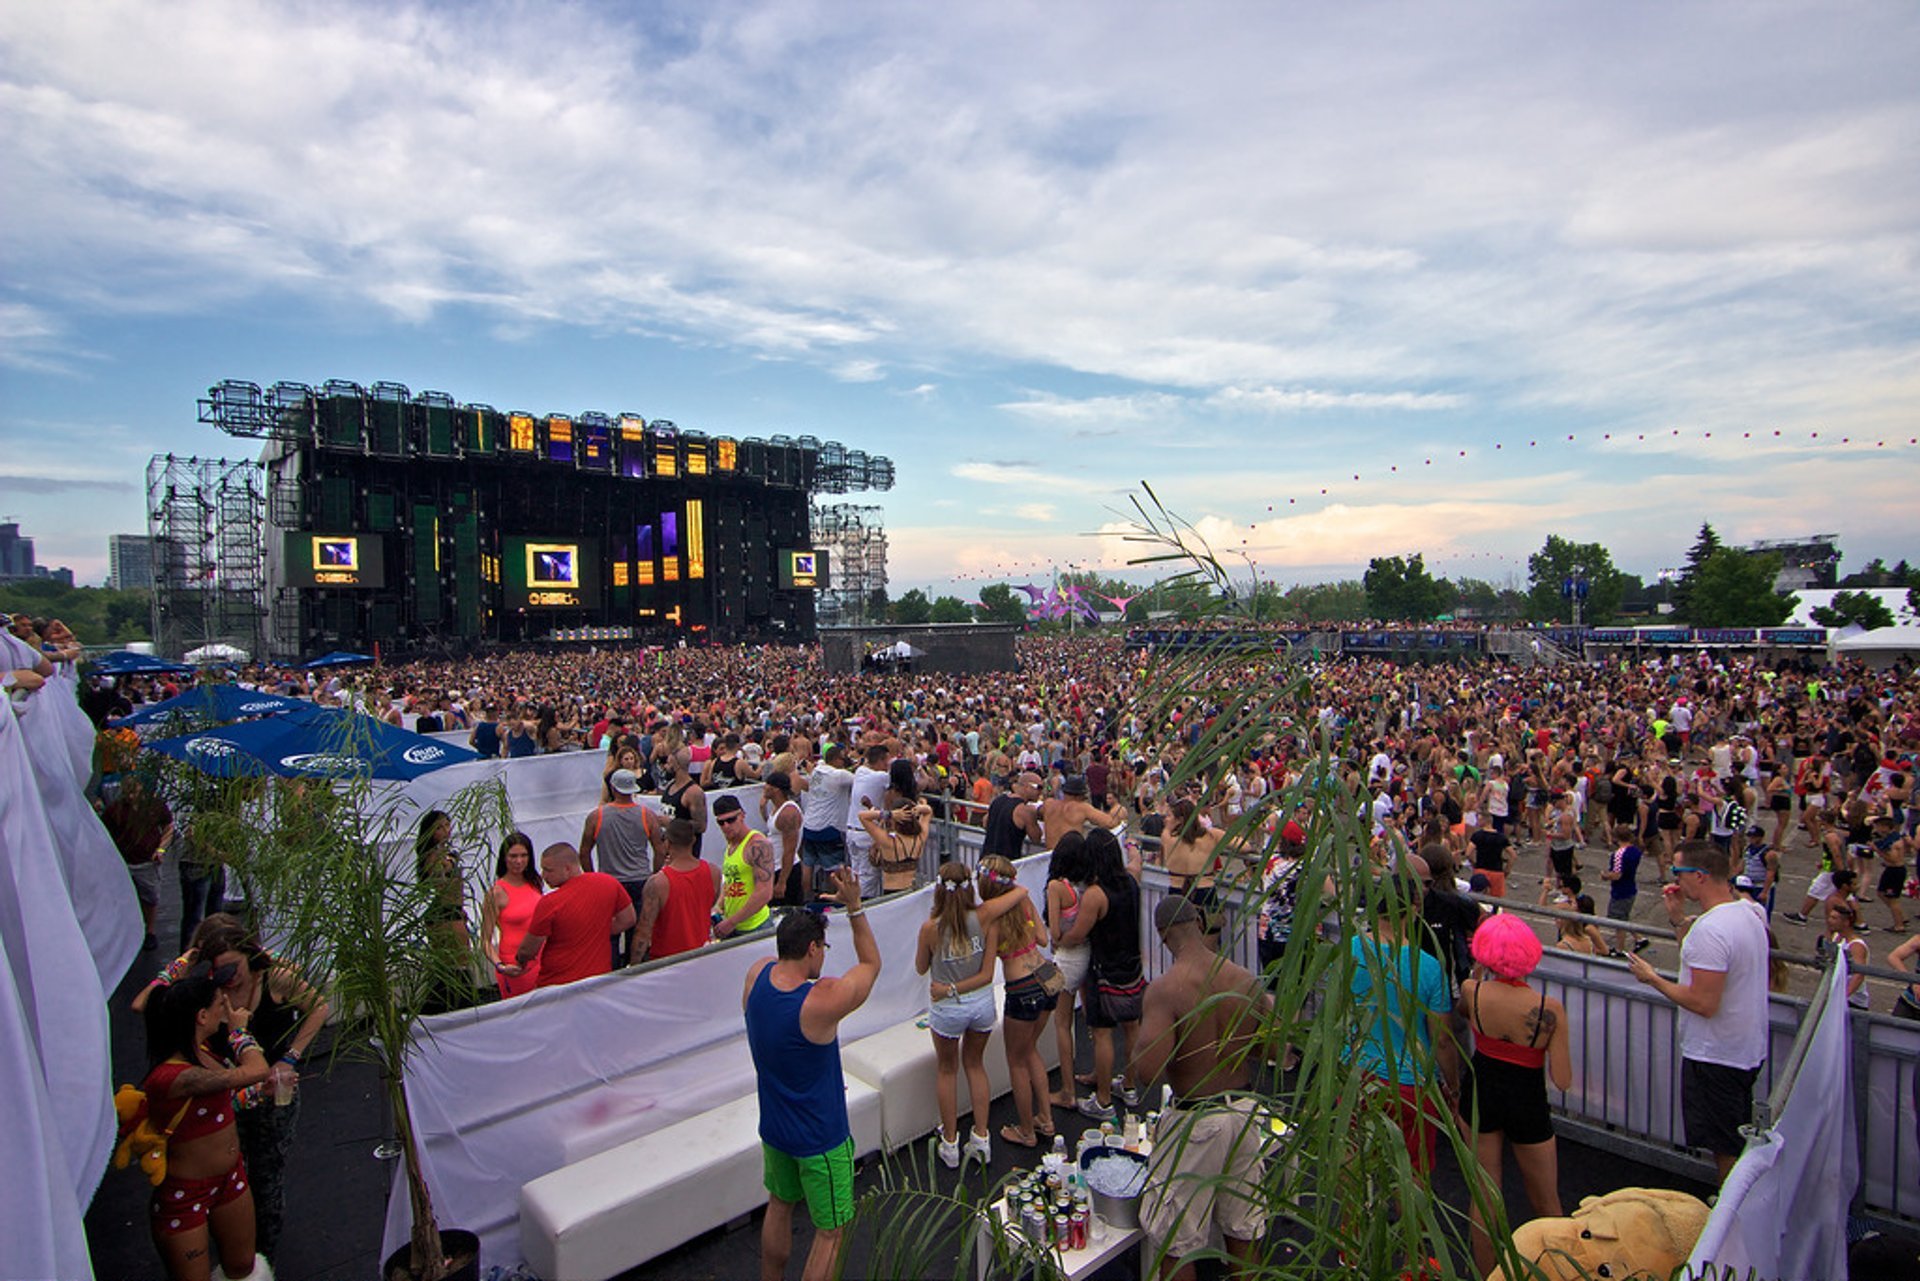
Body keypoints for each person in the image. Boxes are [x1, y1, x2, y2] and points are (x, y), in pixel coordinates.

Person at [744, 870, 879, 1281]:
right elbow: (871, 964)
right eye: (822, 948)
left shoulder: (756, 975)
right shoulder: (820, 1001)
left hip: (776, 1127)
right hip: (820, 1135)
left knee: (779, 1204)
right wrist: (855, 908)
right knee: (831, 1233)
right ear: (812, 949)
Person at [1626, 839, 1770, 1183]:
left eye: (1678, 871)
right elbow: (1702, 957)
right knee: (1731, 1136)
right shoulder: (1750, 912)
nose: (1674, 879)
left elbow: (1703, 1002)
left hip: (1716, 1053)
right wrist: (1678, 919)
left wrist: (1652, 979)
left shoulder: (1711, 929)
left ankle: (1729, 1219)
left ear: (1700, 876)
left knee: (1725, 1147)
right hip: (1744, 1047)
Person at [1458, 913, 1572, 1277]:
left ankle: (1486, 1273)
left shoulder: (1471, 991)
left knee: (1485, 1195)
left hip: (1481, 1091)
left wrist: (1478, 970)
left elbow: (1463, 1011)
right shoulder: (1548, 1008)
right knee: (1546, 1201)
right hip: (1527, 1097)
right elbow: (1563, 1078)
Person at [138, 973, 271, 1281]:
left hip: (230, 1178)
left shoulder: (204, 1052)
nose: (224, 1010)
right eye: (218, 1006)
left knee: (242, 1266)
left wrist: (254, 1095)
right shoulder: (175, 1076)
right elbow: (256, 1069)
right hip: (185, 1195)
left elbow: (218, 1105)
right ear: (201, 1016)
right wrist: (239, 1033)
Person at [1348, 870, 1460, 1176]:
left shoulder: (1349, 951)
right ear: (1413, 909)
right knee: (1411, 1172)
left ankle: (1350, 1225)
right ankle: (1413, 1224)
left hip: (1357, 1072)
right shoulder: (1427, 966)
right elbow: (1442, 1039)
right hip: (1409, 1082)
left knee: (1353, 1167)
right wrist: (1453, 1086)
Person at [913, 861, 1000, 1168]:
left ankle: (950, 1142)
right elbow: (988, 974)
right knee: (976, 1065)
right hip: (981, 1005)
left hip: (948, 1009)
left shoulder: (930, 928)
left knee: (947, 1070)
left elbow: (921, 967)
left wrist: (948, 988)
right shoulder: (986, 919)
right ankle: (981, 1138)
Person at [1059, 827, 1146, 1119]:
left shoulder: (1095, 894)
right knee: (1132, 1027)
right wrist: (1133, 844)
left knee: (1103, 1033)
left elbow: (1078, 933)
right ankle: (1130, 1087)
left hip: (1104, 969)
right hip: (1132, 966)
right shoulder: (1132, 880)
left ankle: (1104, 1100)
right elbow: (1137, 860)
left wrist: (1057, 938)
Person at [974, 853, 1058, 1148]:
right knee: (1031, 1051)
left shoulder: (990, 918)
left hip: (1022, 986)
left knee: (1016, 1061)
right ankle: (1045, 1119)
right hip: (1047, 975)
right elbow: (1044, 940)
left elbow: (985, 966)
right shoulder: (1024, 903)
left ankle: (1026, 1130)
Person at [503, 843, 636, 988]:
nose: (543, 875)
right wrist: (596, 930)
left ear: (567, 869)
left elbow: (528, 950)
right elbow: (628, 919)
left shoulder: (550, 903)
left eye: (548, 870)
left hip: (558, 985)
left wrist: (519, 961)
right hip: (598, 980)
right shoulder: (608, 882)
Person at [580, 768, 665, 966]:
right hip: (639, 880)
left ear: (613, 788)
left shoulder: (597, 816)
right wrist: (653, 874)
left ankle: (611, 972)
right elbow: (659, 850)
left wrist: (593, 878)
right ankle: (635, 971)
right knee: (639, 932)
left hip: (610, 883)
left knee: (610, 934)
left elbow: (584, 852)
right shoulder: (646, 815)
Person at [1044, 833, 1095, 1111]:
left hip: (1067, 959)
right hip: (1087, 953)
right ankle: (1098, 1072)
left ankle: (1067, 1090)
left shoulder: (1057, 887)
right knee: (1090, 1019)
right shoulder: (1088, 885)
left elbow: (1054, 931)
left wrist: (1060, 940)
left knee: (1062, 1023)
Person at [632, 817, 720, 962]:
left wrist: (633, 966)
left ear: (667, 843)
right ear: (693, 841)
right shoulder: (713, 872)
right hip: (701, 956)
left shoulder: (657, 883)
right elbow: (708, 904)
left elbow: (643, 932)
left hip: (667, 962)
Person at [479, 832, 544, 996]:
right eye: (513, 856)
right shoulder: (497, 893)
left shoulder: (534, 883)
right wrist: (500, 966)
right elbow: (485, 940)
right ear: (504, 858)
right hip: (514, 965)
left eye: (523, 855)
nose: (519, 861)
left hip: (542, 958)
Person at [795, 743, 854, 902]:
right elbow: (858, 778)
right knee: (834, 869)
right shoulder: (839, 776)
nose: (844, 762)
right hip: (828, 828)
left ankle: (806, 898)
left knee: (807, 865)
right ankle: (835, 900)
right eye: (842, 759)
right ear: (835, 760)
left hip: (809, 825)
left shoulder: (816, 772)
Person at [713, 794, 777, 939]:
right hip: (735, 925)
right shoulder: (731, 844)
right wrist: (719, 905)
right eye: (721, 823)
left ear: (742, 815)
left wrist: (731, 922)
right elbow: (730, 880)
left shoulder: (757, 844)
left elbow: (765, 893)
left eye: (731, 820)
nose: (726, 826)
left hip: (755, 926)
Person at [856, 795, 932, 894]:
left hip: (891, 893)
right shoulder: (920, 838)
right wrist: (918, 808)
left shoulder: (888, 842)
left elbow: (862, 816)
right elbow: (928, 811)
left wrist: (889, 814)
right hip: (911, 891)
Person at [844, 743, 892, 897]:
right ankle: (864, 908)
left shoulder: (860, 771)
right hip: (866, 833)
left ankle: (854, 904)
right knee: (868, 878)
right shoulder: (881, 777)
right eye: (886, 762)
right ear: (880, 761)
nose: (887, 766)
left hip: (852, 830)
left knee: (856, 873)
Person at [1601, 822, 1646, 957]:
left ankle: (1620, 949)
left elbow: (1617, 875)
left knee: (1618, 920)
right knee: (1624, 916)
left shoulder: (1619, 854)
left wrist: (1605, 875)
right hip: (1630, 887)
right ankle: (1639, 938)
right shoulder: (1635, 851)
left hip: (1621, 890)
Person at [762, 770, 806, 905]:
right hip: (775, 867)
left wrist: (782, 882)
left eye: (767, 785)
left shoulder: (788, 813)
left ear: (776, 789)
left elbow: (790, 850)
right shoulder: (776, 808)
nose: (764, 787)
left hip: (786, 870)